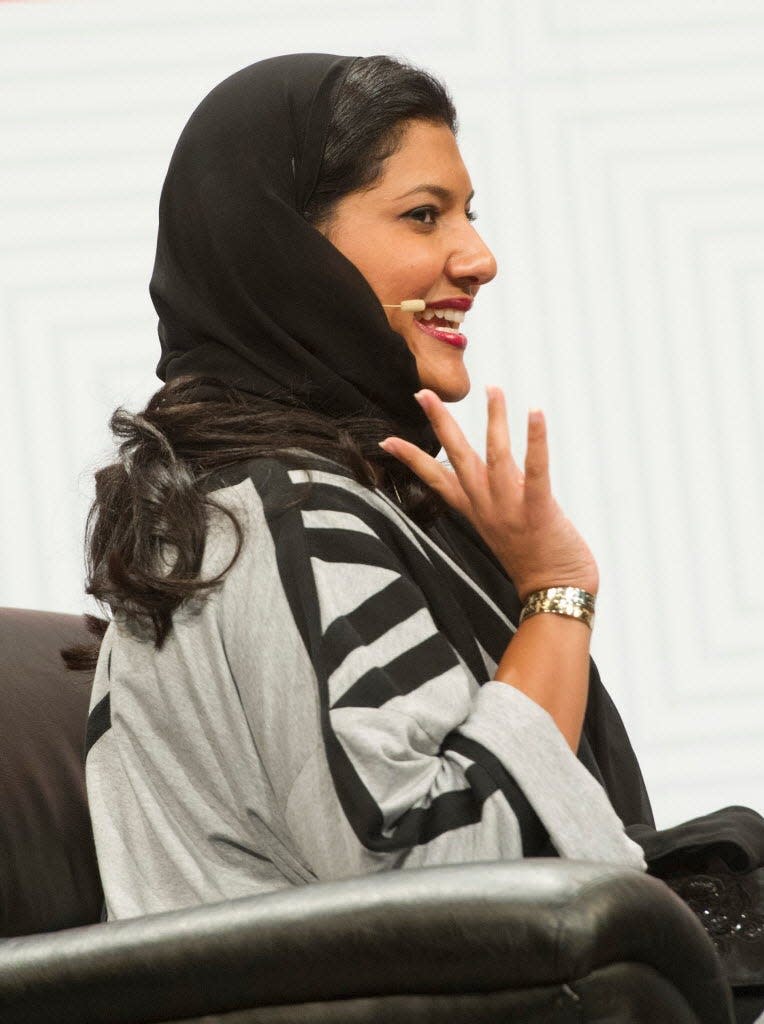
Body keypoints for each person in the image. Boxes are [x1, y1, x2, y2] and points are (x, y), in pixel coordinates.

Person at [70, 51, 660, 920]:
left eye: (468, 215)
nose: (480, 259)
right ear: (285, 251)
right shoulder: (280, 513)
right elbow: (447, 878)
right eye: (424, 216)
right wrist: (555, 593)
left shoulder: (271, 504)